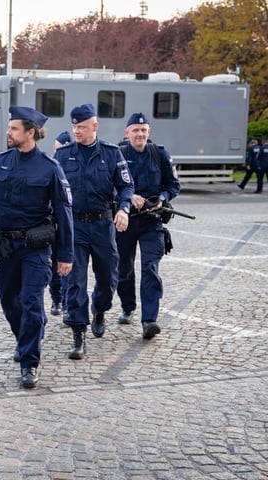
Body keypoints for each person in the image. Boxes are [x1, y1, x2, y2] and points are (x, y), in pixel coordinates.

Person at [0, 106, 73, 389]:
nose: (8, 132)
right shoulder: (0, 163)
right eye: (9, 128)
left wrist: (65, 255)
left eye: (14, 128)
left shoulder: (50, 168)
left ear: (31, 133)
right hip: (6, 247)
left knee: (31, 302)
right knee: (8, 299)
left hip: (36, 248)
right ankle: (25, 338)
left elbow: (64, 213)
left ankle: (30, 362)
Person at [54, 104, 133, 360]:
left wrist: (124, 209)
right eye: (74, 127)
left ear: (94, 127)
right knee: (75, 281)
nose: (77, 131)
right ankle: (79, 334)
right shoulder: (63, 155)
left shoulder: (111, 154)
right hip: (74, 226)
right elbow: (50, 189)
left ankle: (99, 310)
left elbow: (126, 186)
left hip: (102, 224)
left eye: (82, 127)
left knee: (109, 278)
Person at [115, 113, 181, 339]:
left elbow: (173, 185)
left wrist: (162, 198)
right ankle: (128, 307)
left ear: (148, 132)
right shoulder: (118, 154)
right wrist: (128, 196)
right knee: (123, 268)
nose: (140, 134)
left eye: (143, 131)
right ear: (127, 133)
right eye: (135, 130)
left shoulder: (159, 153)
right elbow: (108, 186)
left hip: (152, 222)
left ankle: (149, 320)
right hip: (125, 221)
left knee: (150, 268)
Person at [50, 130, 72, 320]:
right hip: (53, 224)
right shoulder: (50, 165)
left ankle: (65, 302)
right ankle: (56, 299)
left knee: (66, 264)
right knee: (53, 264)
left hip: (69, 223)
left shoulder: (70, 164)